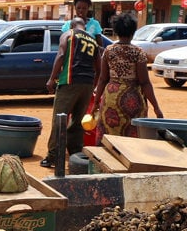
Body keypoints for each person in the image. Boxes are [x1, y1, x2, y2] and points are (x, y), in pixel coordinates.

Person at [42, 16, 102, 169]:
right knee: (77, 121)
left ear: (72, 25)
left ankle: (53, 156)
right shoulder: (93, 40)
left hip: (69, 81)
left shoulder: (69, 34)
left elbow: (61, 55)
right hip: (87, 84)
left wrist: (51, 79)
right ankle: (75, 152)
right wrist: (93, 86)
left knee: (59, 119)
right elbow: (99, 68)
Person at [93, 13, 164, 139]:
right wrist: (156, 108)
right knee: (132, 139)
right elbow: (145, 82)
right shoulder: (138, 53)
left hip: (111, 99)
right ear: (133, 32)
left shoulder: (109, 51)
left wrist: (96, 102)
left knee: (110, 137)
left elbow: (103, 79)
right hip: (133, 100)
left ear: (116, 32)